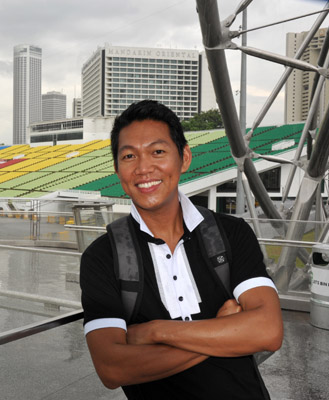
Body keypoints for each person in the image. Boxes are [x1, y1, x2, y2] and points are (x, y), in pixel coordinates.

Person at [80, 100, 283, 399]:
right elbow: (112, 368)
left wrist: (154, 332)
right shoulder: (102, 256)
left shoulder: (231, 233)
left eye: (158, 152)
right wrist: (224, 329)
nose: (144, 168)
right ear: (117, 169)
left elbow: (268, 332)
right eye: (129, 156)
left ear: (184, 157)